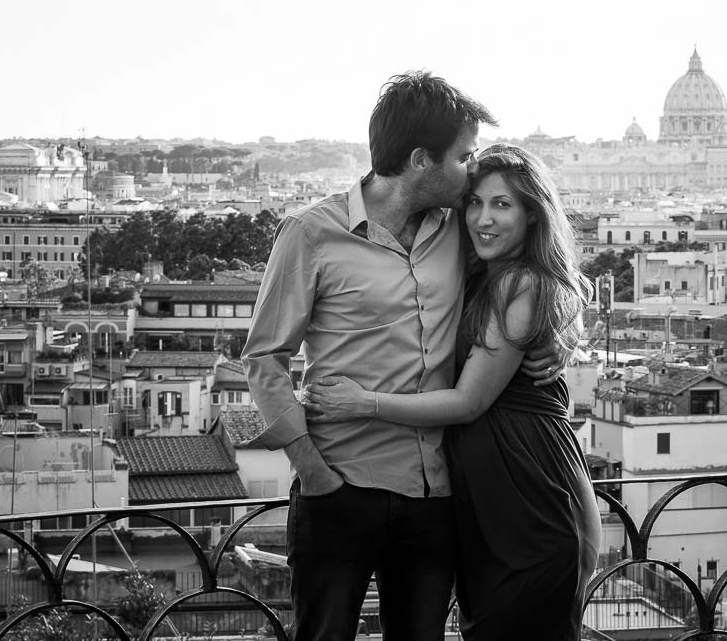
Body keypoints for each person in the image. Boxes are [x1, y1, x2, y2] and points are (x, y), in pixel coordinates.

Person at [240, 73, 565, 641]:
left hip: (434, 493)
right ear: (421, 160)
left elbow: (522, 269)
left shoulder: (457, 229)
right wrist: (313, 474)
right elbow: (264, 361)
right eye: (463, 158)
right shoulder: (312, 233)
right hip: (340, 484)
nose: (471, 172)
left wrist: (552, 333)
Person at [305, 144, 601, 641]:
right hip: (494, 502)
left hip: (530, 498)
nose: (483, 218)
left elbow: (469, 402)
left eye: (502, 205)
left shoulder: (517, 284)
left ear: (533, 215)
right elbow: (569, 290)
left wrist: (364, 403)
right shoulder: (481, 273)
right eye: (475, 202)